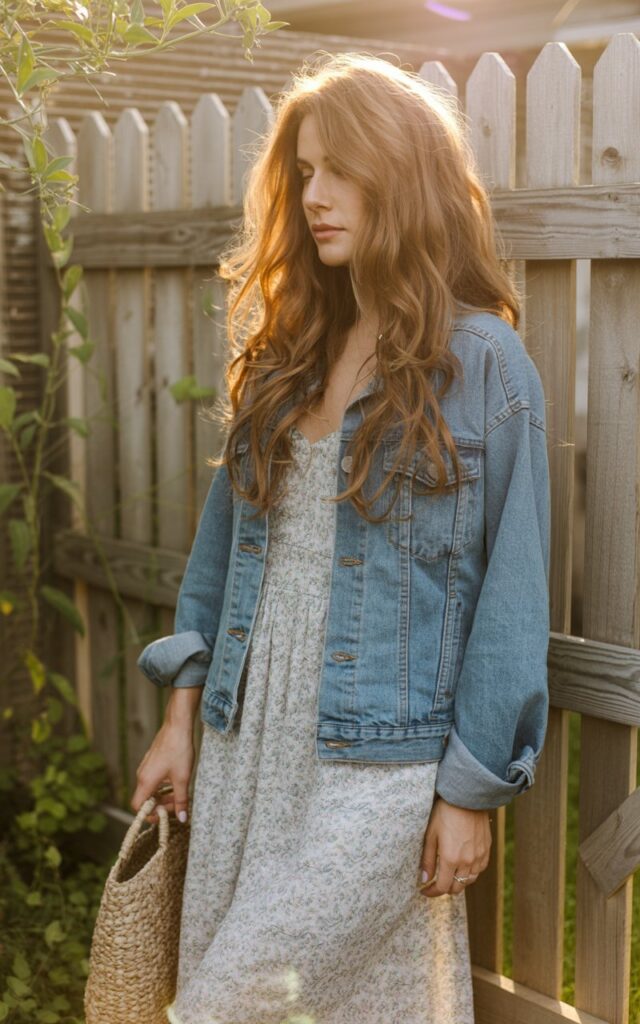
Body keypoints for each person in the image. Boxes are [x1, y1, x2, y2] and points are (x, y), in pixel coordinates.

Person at [132, 51, 551, 1024]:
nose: (313, 196)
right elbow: (217, 558)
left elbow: (512, 598)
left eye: (338, 170)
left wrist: (471, 790)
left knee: (224, 1002)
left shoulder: (484, 365)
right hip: (250, 738)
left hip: (383, 761)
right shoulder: (288, 353)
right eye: (303, 174)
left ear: (400, 174)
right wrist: (179, 719)